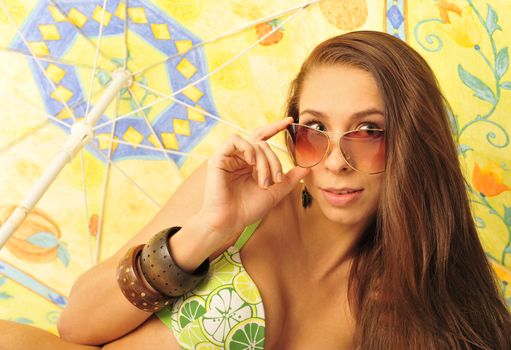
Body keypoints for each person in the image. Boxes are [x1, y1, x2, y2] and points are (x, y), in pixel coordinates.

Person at [2, 30, 510, 350]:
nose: (336, 160)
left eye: (370, 131)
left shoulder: (414, 309)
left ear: (414, 142)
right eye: (314, 129)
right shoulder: (232, 197)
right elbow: (76, 326)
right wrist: (204, 232)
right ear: (290, 133)